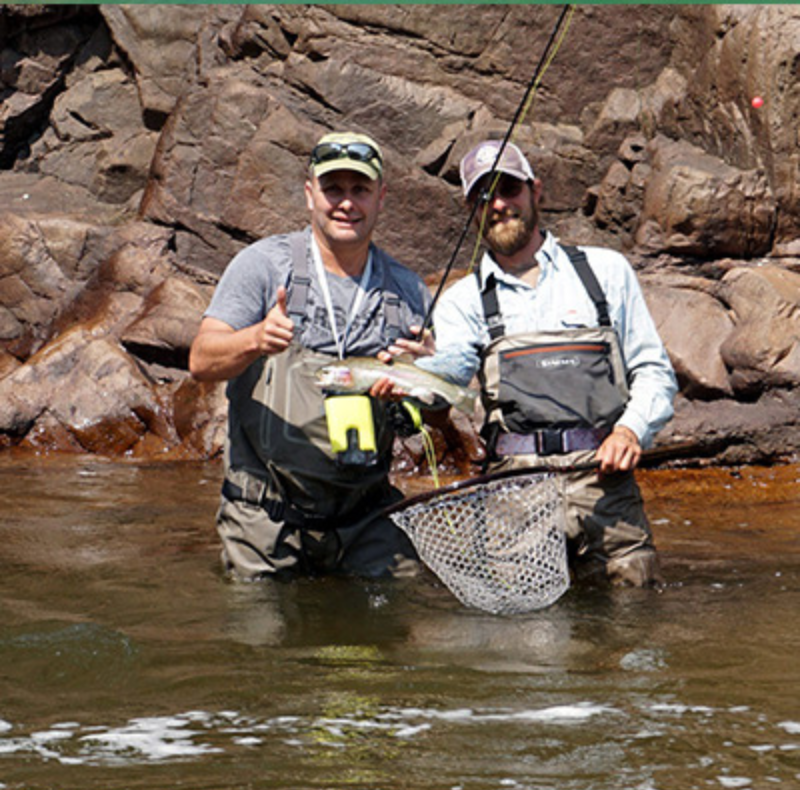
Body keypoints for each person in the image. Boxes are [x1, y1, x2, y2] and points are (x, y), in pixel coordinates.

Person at [416, 139, 678, 587]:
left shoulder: (606, 271)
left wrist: (631, 429)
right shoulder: (461, 300)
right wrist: (415, 379)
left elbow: (653, 370)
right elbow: (450, 376)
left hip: (605, 483)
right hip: (512, 495)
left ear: (536, 191)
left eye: (509, 189)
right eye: (483, 196)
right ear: (470, 210)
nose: (498, 204)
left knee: (635, 634)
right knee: (528, 648)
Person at [189, 131, 434, 581]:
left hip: (365, 516)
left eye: (359, 190)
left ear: (381, 198)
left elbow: (423, 417)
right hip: (266, 514)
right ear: (309, 195)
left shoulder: (408, 290)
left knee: (393, 636)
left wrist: (422, 376)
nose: (346, 203)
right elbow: (201, 360)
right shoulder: (262, 265)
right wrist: (256, 339)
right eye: (333, 189)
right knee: (263, 644)